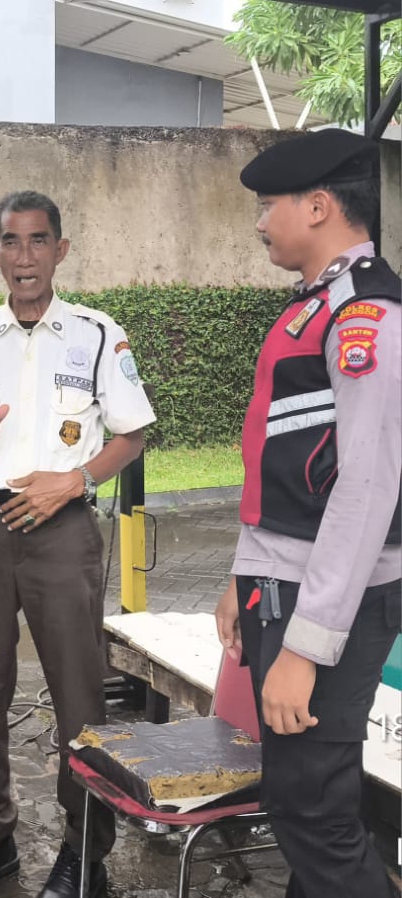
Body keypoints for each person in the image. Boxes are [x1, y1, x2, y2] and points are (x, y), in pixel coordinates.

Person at [0, 191, 156, 898]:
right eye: (12, 242)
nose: (25, 256)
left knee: (79, 694)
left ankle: (85, 853)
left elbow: (132, 434)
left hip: (62, 531)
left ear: (60, 250)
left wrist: (75, 481)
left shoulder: (96, 334)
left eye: (39, 240)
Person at [213, 128, 401, 897]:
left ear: (319, 205)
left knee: (310, 810)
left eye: (270, 205)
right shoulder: (316, 305)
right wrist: (242, 575)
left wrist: (306, 647)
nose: (261, 222)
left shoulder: (365, 315)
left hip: (324, 605)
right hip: (281, 585)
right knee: (308, 798)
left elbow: (366, 488)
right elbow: (284, 468)